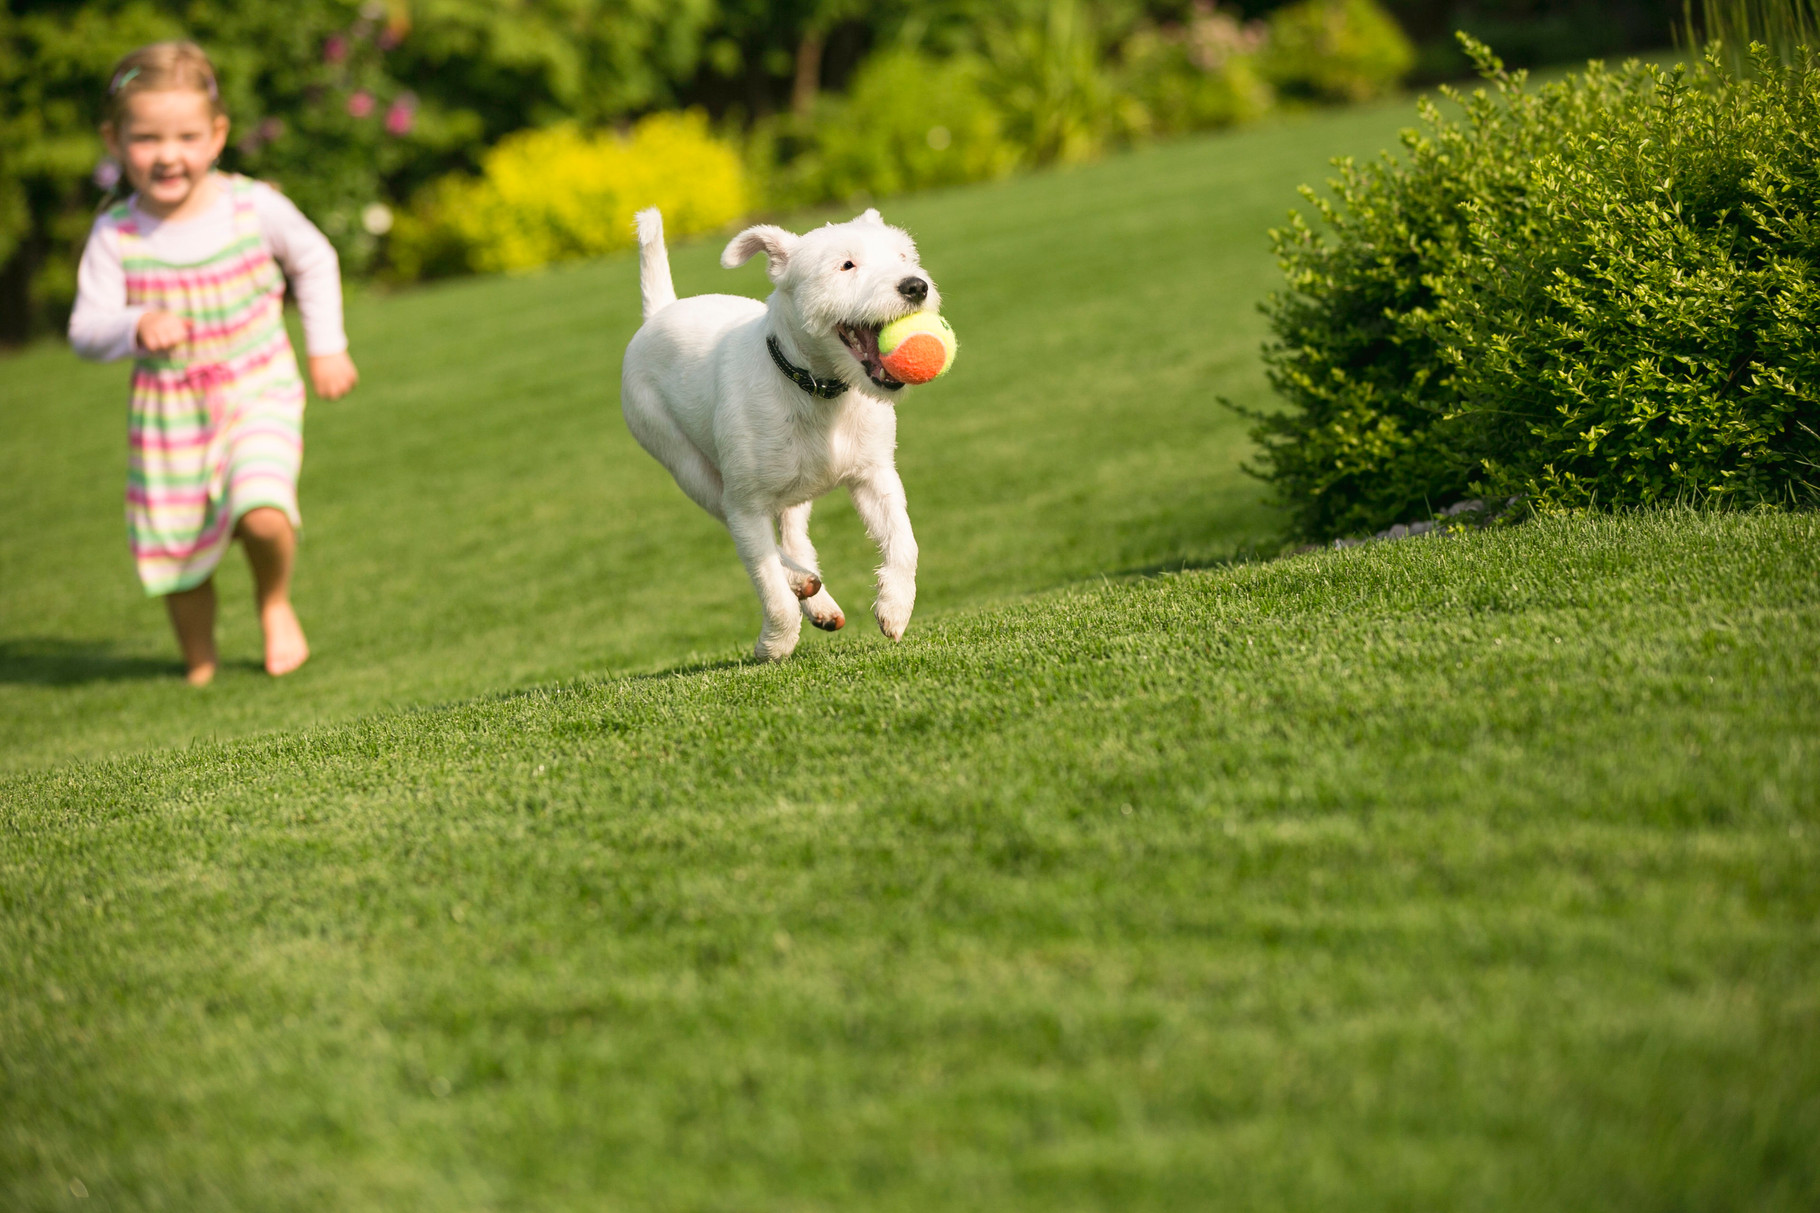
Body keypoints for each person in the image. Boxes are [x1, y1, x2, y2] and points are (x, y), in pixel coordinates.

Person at [69, 41, 357, 686]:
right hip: (169, 414)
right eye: (146, 138)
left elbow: (313, 258)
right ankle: (199, 656)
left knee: (263, 510)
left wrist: (326, 345)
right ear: (114, 140)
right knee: (178, 548)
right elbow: (85, 330)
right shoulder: (116, 234)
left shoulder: (252, 206)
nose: (168, 154)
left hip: (258, 388)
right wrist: (135, 324)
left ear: (218, 135)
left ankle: (275, 601)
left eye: (187, 135)